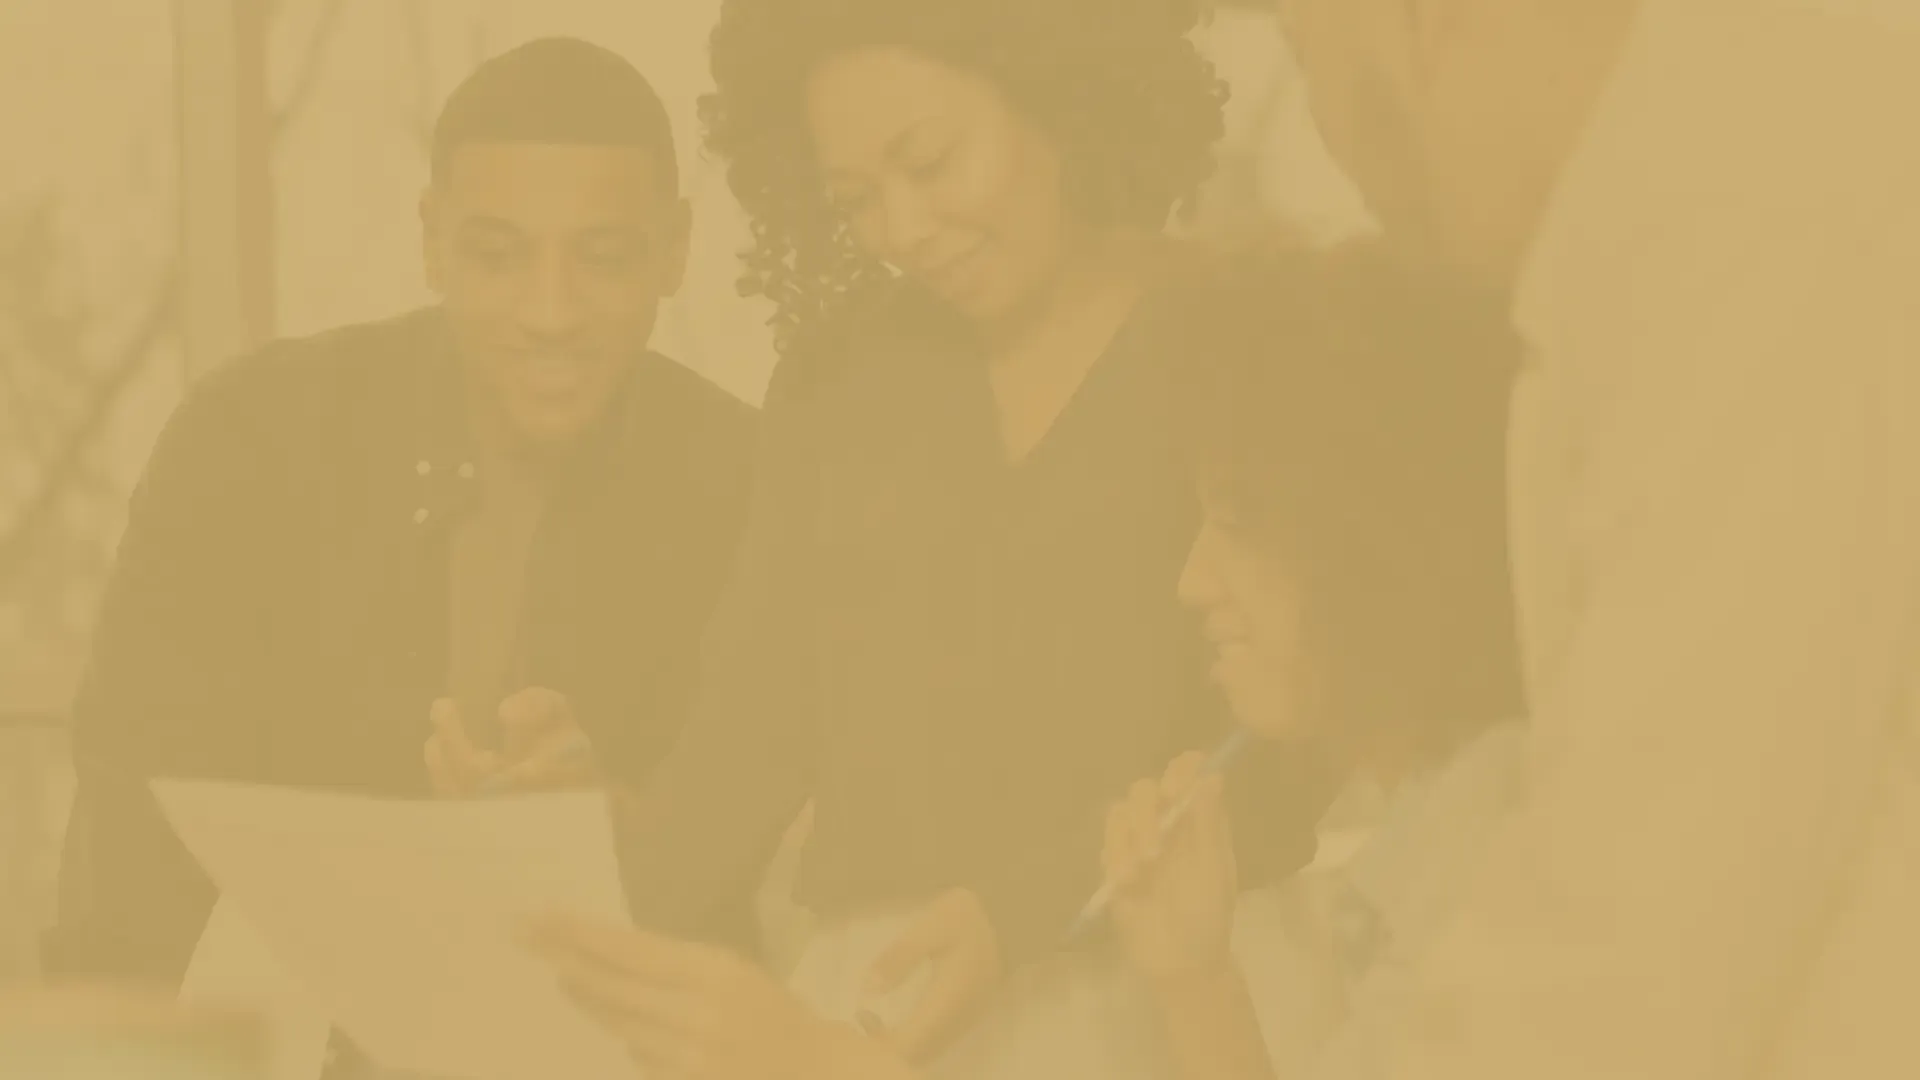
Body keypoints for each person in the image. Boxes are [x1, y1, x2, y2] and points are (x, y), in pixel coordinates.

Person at [1108, 0, 1920, 1077]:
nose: (1348, 155)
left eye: (1312, 61)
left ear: (1428, 23)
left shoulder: (1766, 215)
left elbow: (1629, 954)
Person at [524, 239, 1525, 1080]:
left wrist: (822, 1067)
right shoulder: (1439, 837)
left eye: (1232, 523)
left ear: (1381, 537)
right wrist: (1194, 981)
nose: (1192, 579)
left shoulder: (1504, 870)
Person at [583, 0, 1331, 1072]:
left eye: (931, 160)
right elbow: (745, 745)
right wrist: (561, 877)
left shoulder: (1241, 341)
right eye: (858, 199)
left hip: (1181, 997)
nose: (905, 228)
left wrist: (1026, 910)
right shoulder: (836, 386)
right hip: (879, 1007)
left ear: (1053, 86)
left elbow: (1287, 753)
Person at [46, 37, 758, 985]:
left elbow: (748, 891)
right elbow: (133, 841)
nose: (551, 312)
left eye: (603, 258)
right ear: (431, 238)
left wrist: (610, 830)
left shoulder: (747, 482)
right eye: (499, 257)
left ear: (675, 249)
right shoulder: (250, 440)